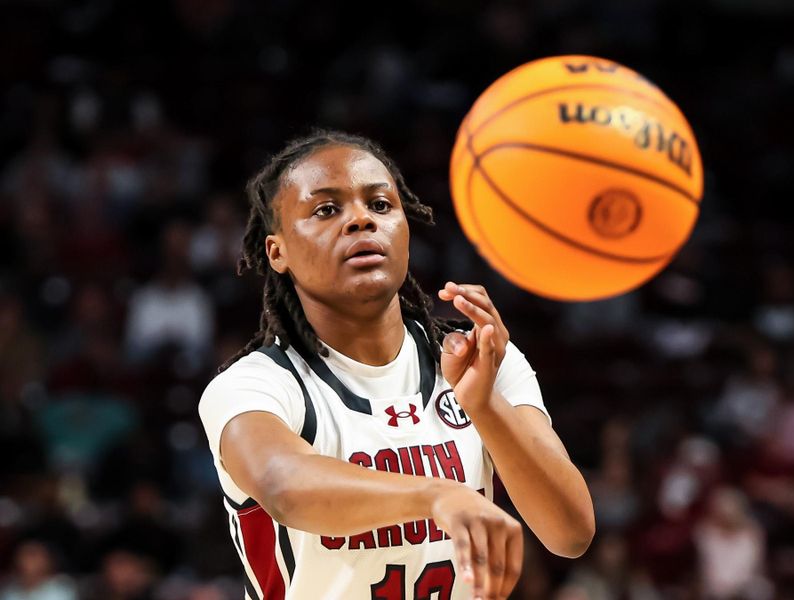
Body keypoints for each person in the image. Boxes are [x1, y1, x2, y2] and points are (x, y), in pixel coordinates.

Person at [198, 130, 594, 600]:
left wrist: (486, 406)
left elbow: (570, 533)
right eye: (327, 209)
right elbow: (282, 485)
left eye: (381, 205)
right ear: (277, 252)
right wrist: (437, 496)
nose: (360, 220)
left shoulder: (480, 359)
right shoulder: (255, 384)